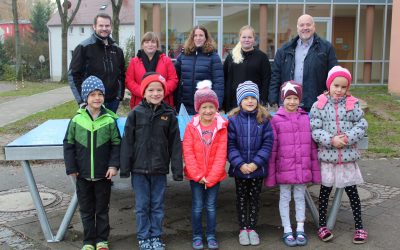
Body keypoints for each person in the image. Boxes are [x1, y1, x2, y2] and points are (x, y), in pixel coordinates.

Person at [120, 72, 183, 250]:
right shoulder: (135, 114)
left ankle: (155, 236)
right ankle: (143, 237)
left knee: (157, 206)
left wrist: (177, 170)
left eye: (159, 90)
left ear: (164, 92)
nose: (155, 93)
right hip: (139, 170)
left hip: (159, 170)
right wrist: (125, 168)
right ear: (144, 92)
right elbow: (127, 143)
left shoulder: (169, 115)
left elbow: (175, 145)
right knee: (142, 206)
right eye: (151, 90)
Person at [310, 66, 368, 244]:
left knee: (353, 194)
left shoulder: (352, 104)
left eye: (344, 87)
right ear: (329, 85)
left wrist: (348, 137)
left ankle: (359, 227)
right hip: (328, 158)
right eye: (336, 85)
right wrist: (330, 140)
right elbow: (315, 128)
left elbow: (362, 124)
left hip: (347, 158)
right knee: (324, 193)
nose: (339, 90)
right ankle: (322, 226)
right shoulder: (319, 104)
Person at [63, 76, 121, 250]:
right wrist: (71, 167)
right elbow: (69, 144)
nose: (97, 98)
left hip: (103, 175)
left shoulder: (110, 120)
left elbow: (116, 144)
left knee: (102, 210)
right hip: (82, 175)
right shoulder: (76, 120)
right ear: (85, 98)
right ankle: (88, 241)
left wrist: (113, 165)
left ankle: (102, 240)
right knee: (87, 211)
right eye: (93, 94)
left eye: (100, 94)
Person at [265, 81, 320, 247]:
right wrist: (271, 174)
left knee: (299, 197)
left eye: (295, 98)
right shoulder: (275, 120)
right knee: (284, 198)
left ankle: (301, 228)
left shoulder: (305, 118)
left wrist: (315, 171)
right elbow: (273, 150)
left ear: (300, 99)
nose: (292, 102)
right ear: (283, 99)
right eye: (288, 98)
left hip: (301, 169)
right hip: (284, 169)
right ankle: (287, 229)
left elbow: (311, 148)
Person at [182, 80, 228, 250]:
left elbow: (221, 154)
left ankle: (210, 235)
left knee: (210, 207)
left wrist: (212, 177)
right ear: (198, 109)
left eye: (211, 106)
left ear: (216, 107)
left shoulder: (222, 127)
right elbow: (188, 153)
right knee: (197, 207)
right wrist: (198, 175)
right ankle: (196, 236)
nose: (208, 110)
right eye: (204, 107)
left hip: (213, 177)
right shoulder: (191, 127)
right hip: (197, 177)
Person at [227, 81, 273, 246]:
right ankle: (242, 228)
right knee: (241, 198)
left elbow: (267, 145)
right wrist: (240, 164)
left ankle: (252, 228)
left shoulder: (264, 119)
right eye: (246, 97)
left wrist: (255, 163)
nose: (250, 101)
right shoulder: (233, 120)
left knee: (254, 198)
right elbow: (230, 145)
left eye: (253, 97)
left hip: (256, 169)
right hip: (240, 169)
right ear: (240, 100)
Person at [269, 14, 338, 112]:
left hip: (316, 103)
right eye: (302, 25)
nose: (305, 28)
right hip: (290, 102)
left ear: (314, 27)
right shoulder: (284, 49)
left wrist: (332, 95)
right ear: (297, 28)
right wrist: (273, 98)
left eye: (308, 25)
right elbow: (275, 75)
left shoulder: (326, 48)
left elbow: (334, 75)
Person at [68, 13, 125, 113]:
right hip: (92, 102)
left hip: (112, 102)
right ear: (94, 26)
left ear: (111, 27)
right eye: (101, 25)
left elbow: (121, 75)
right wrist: (81, 101)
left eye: (107, 26)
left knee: (110, 128)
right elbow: (73, 75)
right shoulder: (83, 48)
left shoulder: (117, 49)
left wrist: (119, 96)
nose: (104, 28)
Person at [175, 25, 224, 115]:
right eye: (195, 35)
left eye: (201, 35)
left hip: (205, 105)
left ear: (206, 38)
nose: (198, 38)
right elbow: (175, 78)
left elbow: (219, 82)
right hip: (185, 105)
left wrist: (218, 104)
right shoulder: (183, 55)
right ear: (192, 38)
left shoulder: (213, 56)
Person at [223, 25, 271, 111]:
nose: (247, 40)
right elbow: (225, 79)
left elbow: (266, 80)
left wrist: (263, 101)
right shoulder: (231, 57)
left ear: (254, 39)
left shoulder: (262, 57)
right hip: (234, 104)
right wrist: (224, 102)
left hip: (254, 103)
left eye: (250, 37)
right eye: (244, 37)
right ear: (239, 38)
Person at [125, 32, 178, 109]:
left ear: (157, 45)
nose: (150, 44)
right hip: (140, 102)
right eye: (147, 42)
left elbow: (173, 80)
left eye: (153, 42)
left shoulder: (166, 61)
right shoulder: (134, 62)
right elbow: (129, 81)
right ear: (142, 45)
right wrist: (144, 92)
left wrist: (160, 92)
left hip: (163, 102)